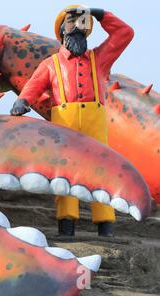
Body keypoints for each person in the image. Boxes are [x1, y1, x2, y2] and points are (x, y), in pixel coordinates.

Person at [10, 5, 135, 237]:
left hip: (94, 122)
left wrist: (102, 15)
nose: (77, 27)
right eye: (71, 22)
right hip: (64, 124)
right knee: (64, 173)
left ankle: (105, 226)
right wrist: (23, 100)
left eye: (82, 22)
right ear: (62, 30)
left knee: (102, 171)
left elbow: (124, 34)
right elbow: (34, 85)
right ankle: (66, 227)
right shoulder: (50, 64)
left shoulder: (100, 59)